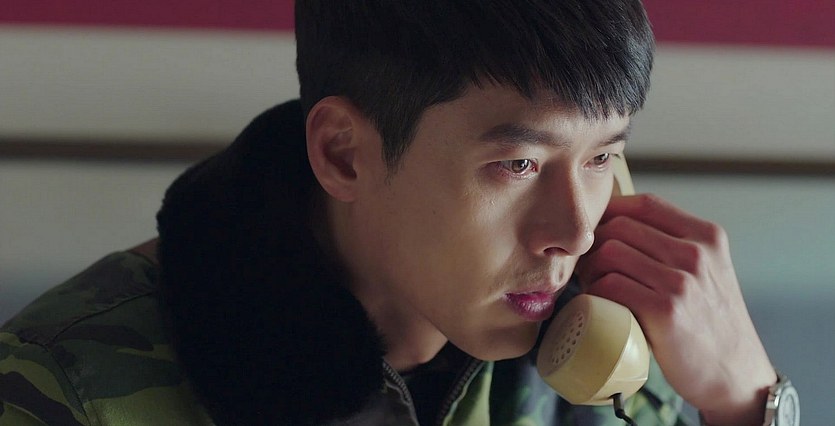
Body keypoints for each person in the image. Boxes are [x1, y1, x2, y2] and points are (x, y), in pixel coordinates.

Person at [0, 1, 793, 425]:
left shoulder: (602, 365)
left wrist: (746, 406)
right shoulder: (65, 389)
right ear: (344, 154)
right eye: (517, 165)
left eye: (598, 159)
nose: (574, 232)